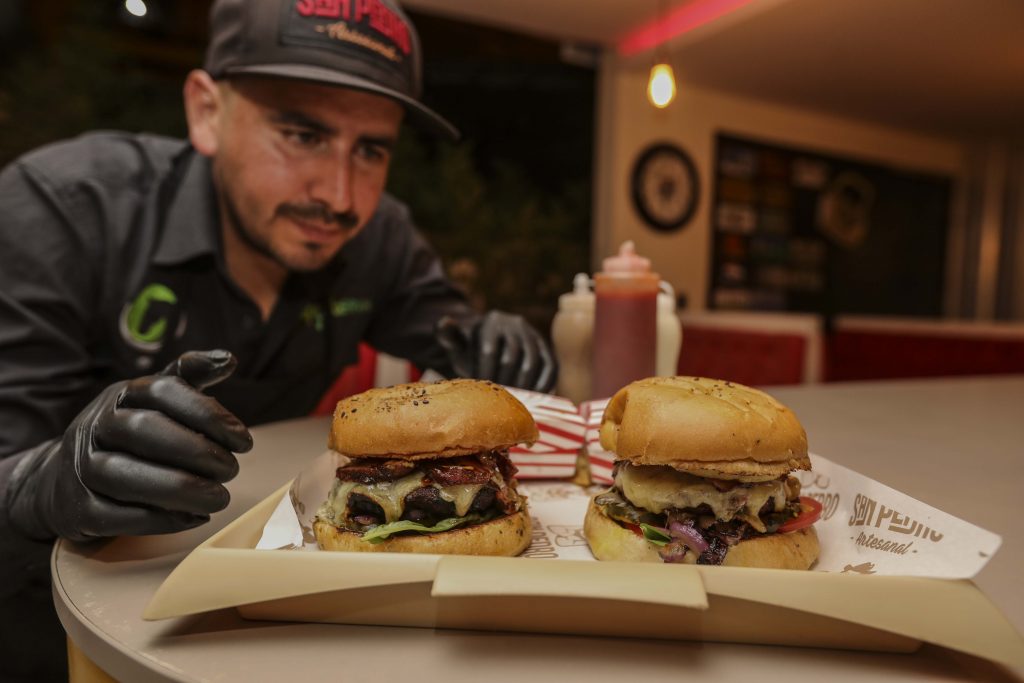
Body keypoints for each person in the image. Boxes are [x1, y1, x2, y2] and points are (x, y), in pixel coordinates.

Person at [0, 0, 556, 679]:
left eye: (372, 149)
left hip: (286, 619)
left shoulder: (378, 238)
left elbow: (444, 326)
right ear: (207, 111)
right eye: (302, 134)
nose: (342, 196)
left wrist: (487, 337)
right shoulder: (58, 212)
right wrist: (36, 485)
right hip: (52, 623)